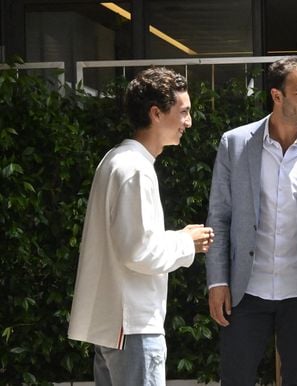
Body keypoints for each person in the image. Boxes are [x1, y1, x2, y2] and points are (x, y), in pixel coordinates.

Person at [205, 57, 297, 386]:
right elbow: (219, 216)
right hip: (247, 290)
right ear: (277, 96)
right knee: (235, 379)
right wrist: (217, 281)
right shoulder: (236, 143)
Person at [68, 67, 214, 386]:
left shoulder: (117, 160)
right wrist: (187, 242)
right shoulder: (134, 169)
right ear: (156, 113)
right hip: (132, 327)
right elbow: (138, 251)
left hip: (116, 327)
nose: (188, 122)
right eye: (184, 112)